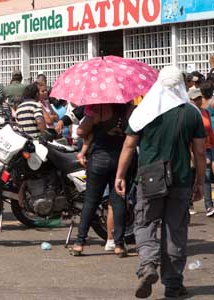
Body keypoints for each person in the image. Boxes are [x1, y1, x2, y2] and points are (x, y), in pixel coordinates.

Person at [114, 66, 206, 299]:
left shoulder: (144, 110)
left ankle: (148, 266)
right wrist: (199, 182)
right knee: (175, 230)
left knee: (145, 224)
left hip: (149, 179)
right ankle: (173, 284)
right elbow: (199, 152)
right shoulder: (192, 113)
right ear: (181, 85)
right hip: (181, 180)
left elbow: (128, 146)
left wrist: (120, 176)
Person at [70, 103, 133, 257]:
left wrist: (92, 129)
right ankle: (119, 245)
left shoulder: (97, 109)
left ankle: (79, 243)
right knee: (118, 201)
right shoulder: (129, 109)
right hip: (121, 159)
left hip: (98, 159)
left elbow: (80, 131)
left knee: (91, 201)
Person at [188, 88, 214, 216]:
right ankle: (189, 203)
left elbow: (210, 132)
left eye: (199, 98)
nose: (197, 101)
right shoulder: (188, 113)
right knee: (191, 176)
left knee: (206, 176)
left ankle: (209, 206)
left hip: (206, 148)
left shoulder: (205, 113)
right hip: (191, 149)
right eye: (194, 99)